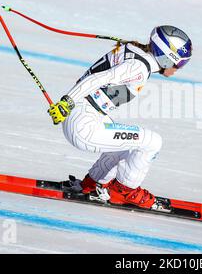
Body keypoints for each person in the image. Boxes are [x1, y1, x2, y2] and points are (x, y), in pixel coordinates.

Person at [48, 25, 192, 209]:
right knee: (153, 142)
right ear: (166, 57)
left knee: (125, 146)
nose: (178, 69)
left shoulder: (137, 52)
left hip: (87, 115)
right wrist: (67, 101)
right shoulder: (138, 67)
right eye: (179, 63)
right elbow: (97, 79)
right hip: (83, 125)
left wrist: (69, 103)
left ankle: (94, 183)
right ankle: (124, 191)